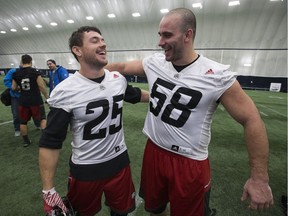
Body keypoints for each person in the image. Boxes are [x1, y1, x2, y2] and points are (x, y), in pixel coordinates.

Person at [105, 8, 274, 216]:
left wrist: (259, 178)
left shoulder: (216, 75)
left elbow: (251, 119)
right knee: (155, 209)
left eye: (167, 35)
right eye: (160, 35)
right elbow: (121, 66)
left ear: (188, 35)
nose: (160, 42)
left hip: (189, 162)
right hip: (154, 151)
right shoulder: (154, 63)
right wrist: (92, 72)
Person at [38, 26, 149, 216]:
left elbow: (136, 95)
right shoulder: (66, 90)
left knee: (122, 212)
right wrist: (48, 189)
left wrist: (163, 94)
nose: (103, 43)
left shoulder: (117, 79)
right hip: (85, 169)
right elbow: (50, 142)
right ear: (77, 50)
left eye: (103, 40)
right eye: (95, 40)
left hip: (120, 162)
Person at [12, 54, 49, 147]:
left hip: (23, 101)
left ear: (22, 61)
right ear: (31, 61)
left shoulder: (16, 73)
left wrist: (20, 89)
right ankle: (45, 140)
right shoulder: (35, 72)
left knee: (23, 122)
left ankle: (26, 141)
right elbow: (41, 86)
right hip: (36, 100)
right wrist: (47, 97)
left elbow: (13, 87)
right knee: (42, 119)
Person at [4, 66, 41, 136]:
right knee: (16, 114)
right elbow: (6, 81)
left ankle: (37, 124)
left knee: (34, 111)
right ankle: (17, 129)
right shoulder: (13, 71)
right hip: (16, 96)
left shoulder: (31, 71)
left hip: (29, 96)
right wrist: (15, 88)